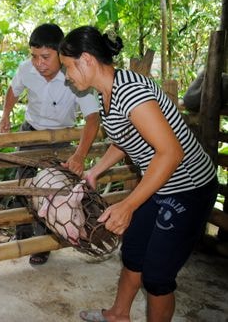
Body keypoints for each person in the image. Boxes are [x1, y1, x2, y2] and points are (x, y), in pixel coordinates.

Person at [58, 25, 218, 322]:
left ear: (87, 60)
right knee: (133, 252)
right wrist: (94, 171)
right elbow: (125, 138)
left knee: (157, 276)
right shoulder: (108, 93)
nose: (67, 75)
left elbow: (171, 153)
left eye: (68, 67)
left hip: (187, 188)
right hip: (159, 182)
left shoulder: (130, 91)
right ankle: (119, 314)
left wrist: (129, 204)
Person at [0, 23, 100, 265]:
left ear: (60, 53)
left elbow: (92, 118)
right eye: (34, 56)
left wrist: (79, 155)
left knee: (52, 193)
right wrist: (5, 115)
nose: (39, 63)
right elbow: (14, 90)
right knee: (24, 187)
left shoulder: (75, 74)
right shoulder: (26, 69)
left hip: (61, 141)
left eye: (45, 57)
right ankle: (22, 238)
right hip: (30, 135)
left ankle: (42, 244)